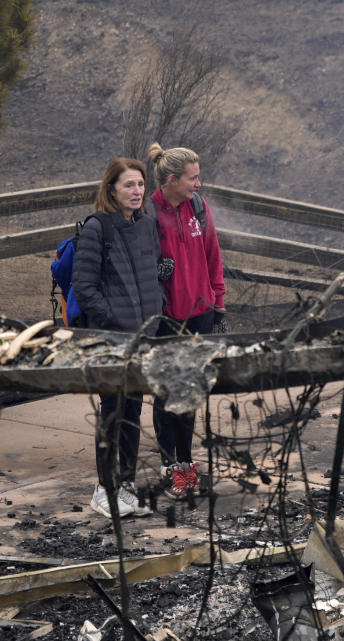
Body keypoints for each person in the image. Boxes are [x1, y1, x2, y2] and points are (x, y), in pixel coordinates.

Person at [73, 157, 164, 518]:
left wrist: (157, 311)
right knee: (112, 413)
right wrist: (111, 319)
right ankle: (104, 489)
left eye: (140, 184)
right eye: (129, 185)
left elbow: (152, 276)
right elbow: (84, 285)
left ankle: (125, 486)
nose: (137, 191)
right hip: (112, 340)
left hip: (143, 338)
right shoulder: (98, 228)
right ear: (111, 188)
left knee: (131, 412)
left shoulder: (145, 225)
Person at [147, 142, 227, 500]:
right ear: (171, 179)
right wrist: (154, 272)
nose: (199, 183)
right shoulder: (148, 213)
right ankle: (170, 465)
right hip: (165, 318)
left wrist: (219, 306)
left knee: (190, 391)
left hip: (201, 314)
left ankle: (187, 462)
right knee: (166, 392)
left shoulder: (198, 207)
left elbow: (213, 255)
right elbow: (133, 266)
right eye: (193, 178)